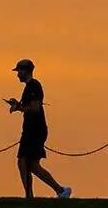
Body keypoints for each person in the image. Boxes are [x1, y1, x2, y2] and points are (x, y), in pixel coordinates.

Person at [7, 59, 71, 199]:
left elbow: (35, 108)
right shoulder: (29, 87)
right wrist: (18, 105)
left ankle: (57, 191)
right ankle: (56, 191)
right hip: (31, 129)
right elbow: (29, 107)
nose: (17, 75)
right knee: (27, 164)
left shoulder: (34, 86)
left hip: (35, 130)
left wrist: (18, 107)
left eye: (19, 71)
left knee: (26, 162)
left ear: (26, 71)